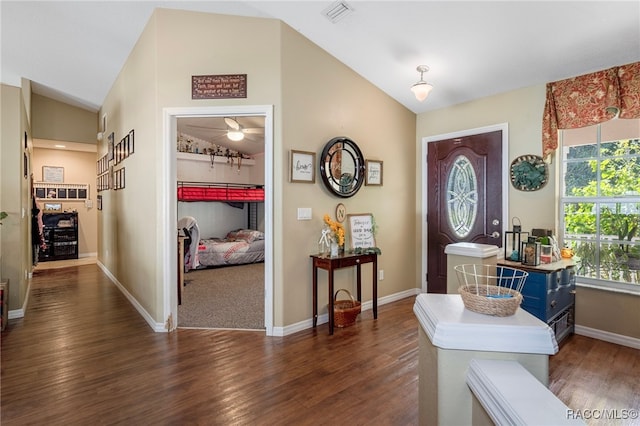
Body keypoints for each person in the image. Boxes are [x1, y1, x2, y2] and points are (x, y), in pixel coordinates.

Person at [32, 196, 45, 266]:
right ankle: (35, 260)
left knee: (36, 245)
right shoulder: (36, 204)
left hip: (38, 226)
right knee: (36, 245)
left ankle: (35, 260)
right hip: (37, 227)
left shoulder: (35, 204)